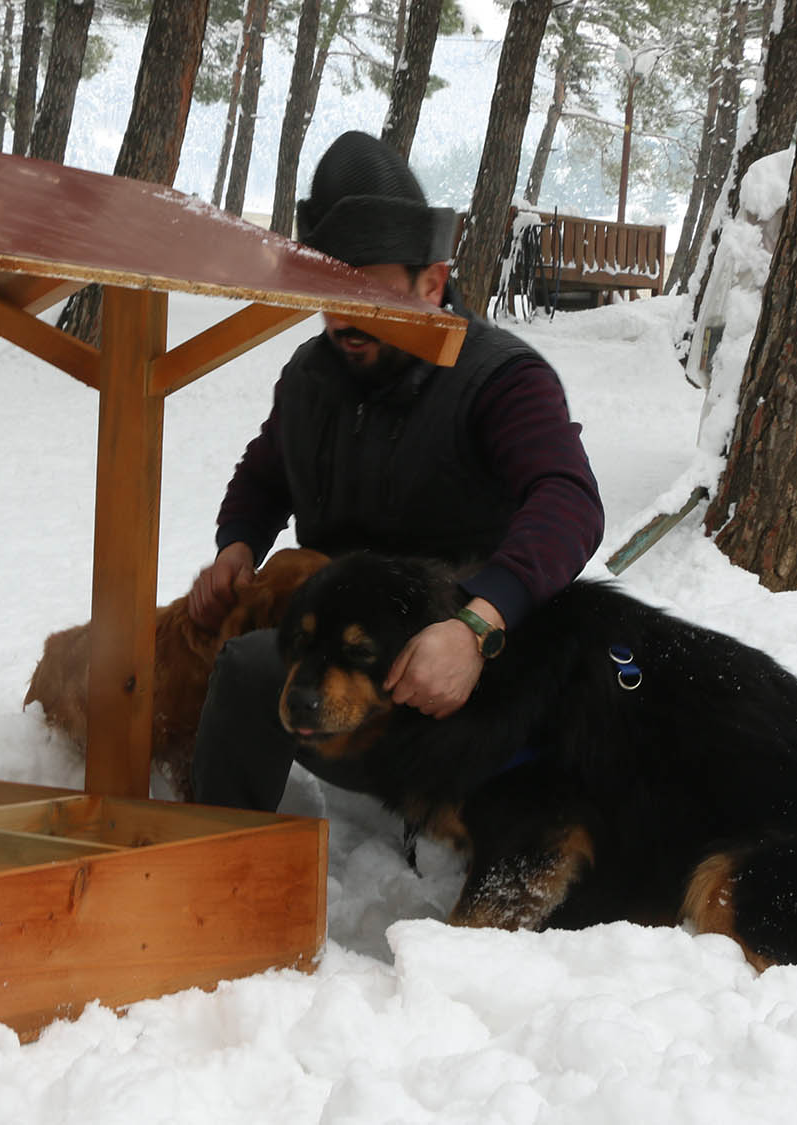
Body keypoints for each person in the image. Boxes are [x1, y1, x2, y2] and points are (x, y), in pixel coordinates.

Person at [185, 130, 605, 812]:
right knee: (236, 662)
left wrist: (478, 626)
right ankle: (220, 865)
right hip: (340, 666)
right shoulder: (311, 374)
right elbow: (265, 475)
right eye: (331, 297)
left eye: (371, 300)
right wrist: (237, 545)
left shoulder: (504, 379)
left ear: (432, 281)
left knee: (254, 670)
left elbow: (569, 501)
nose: (348, 324)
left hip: (464, 683)